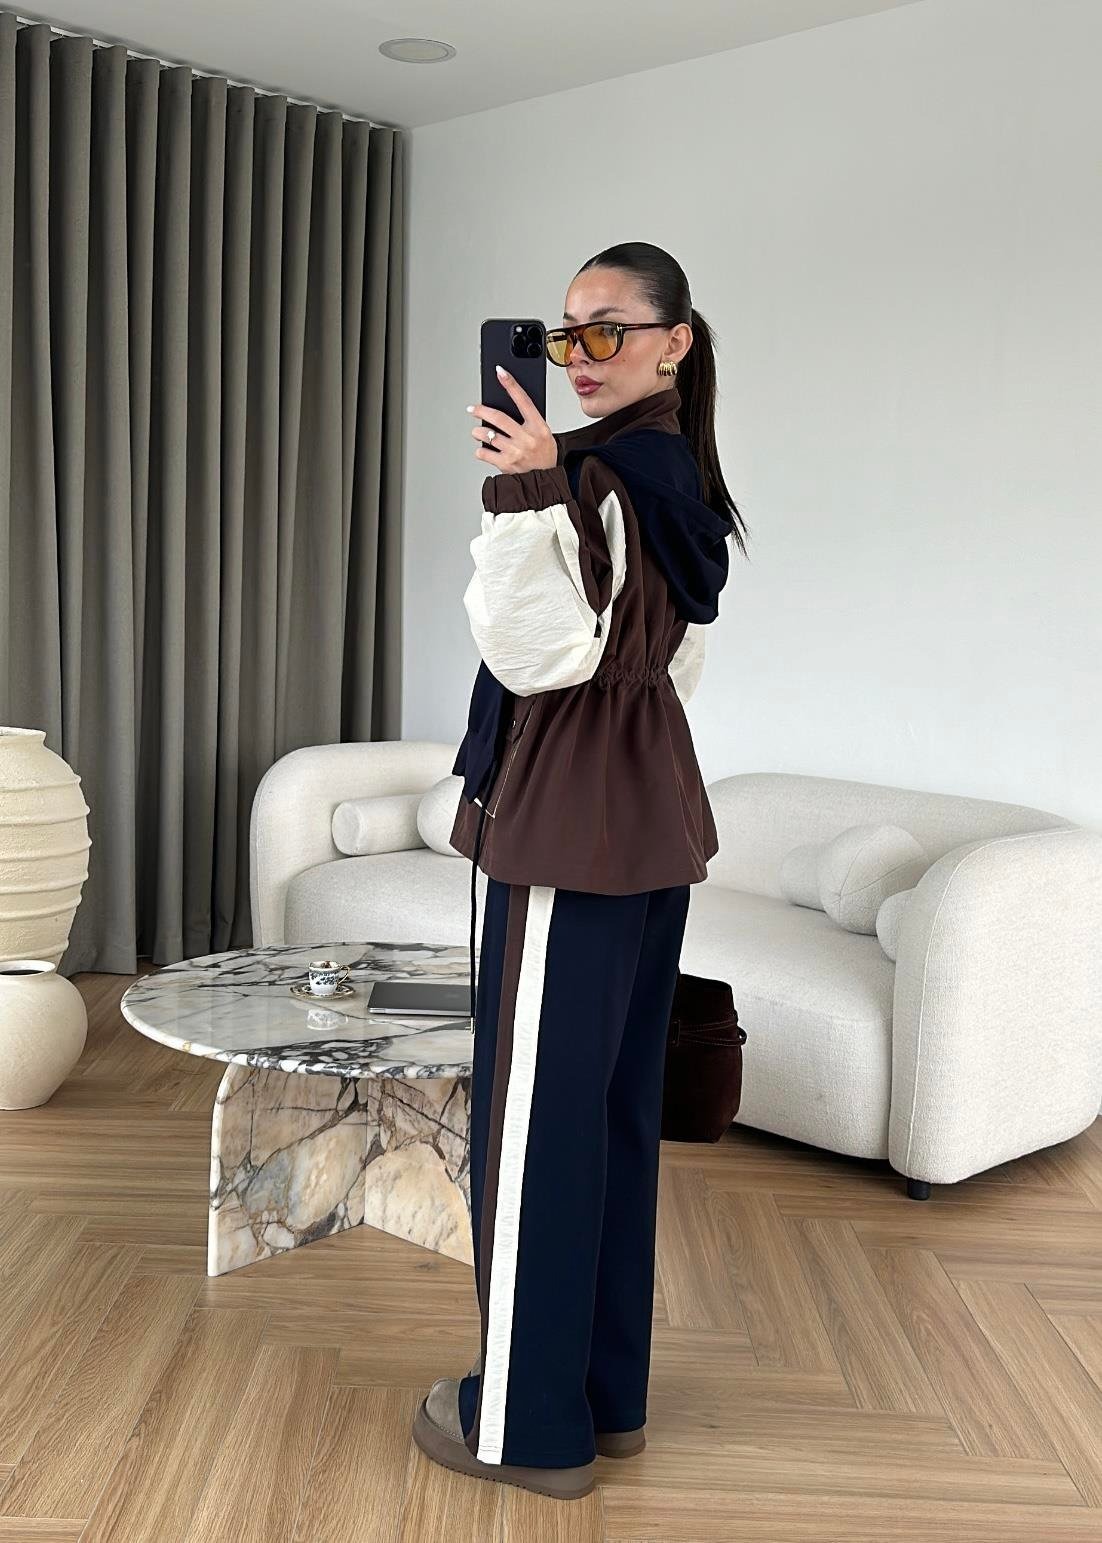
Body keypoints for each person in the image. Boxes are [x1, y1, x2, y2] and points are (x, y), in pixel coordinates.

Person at [411, 242, 749, 1502]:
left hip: (567, 827)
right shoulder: (680, 477)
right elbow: (673, 662)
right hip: (652, 816)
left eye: (608, 329)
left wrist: (521, 494)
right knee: (609, 1116)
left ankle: (525, 1426)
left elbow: (535, 654)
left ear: (676, 341)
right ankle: (605, 1399)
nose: (579, 356)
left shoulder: (591, 474)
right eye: (565, 333)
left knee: (534, 1130)